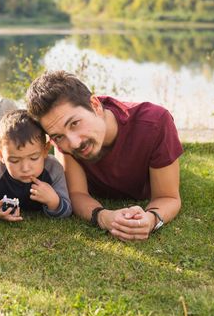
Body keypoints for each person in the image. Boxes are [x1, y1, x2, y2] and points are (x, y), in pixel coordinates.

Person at [26, 70, 183, 241]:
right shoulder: (63, 138)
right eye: (58, 136)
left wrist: (151, 219)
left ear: (95, 105)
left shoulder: (155, 122)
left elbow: (168, 197)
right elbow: (77, 193)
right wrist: (103, 217)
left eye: (75, 123)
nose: (74, 143)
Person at [0, 109, 72, 221]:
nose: (25, 168)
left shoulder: (54, 169)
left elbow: (67, 208)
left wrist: (54, 202)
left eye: (34, 158)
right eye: (15, 160)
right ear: (2, 156)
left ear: (45, 151)